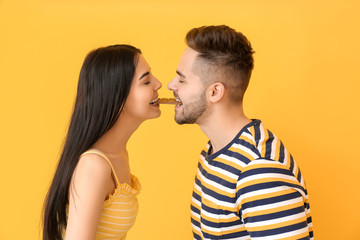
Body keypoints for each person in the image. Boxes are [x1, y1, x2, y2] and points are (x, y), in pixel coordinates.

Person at [168, 25, 313, 240]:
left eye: (182, 79)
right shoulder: (213, 152)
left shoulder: (259, 170)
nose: (171, 85)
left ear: (214, 92)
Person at [42, 44, 162, 240]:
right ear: (118, 96)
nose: (158, 84)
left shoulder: (118, 155)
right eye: (146, 81)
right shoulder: (95, 165)